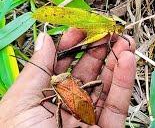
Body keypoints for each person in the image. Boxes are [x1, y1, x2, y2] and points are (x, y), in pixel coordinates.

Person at [0, 28, 136, 128]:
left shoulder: (57, 85)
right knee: (96, 84)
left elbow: (43, 95)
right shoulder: (67, 78)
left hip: (78, 104)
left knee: (59, 106)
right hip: (83, 100)